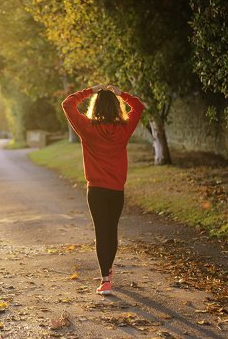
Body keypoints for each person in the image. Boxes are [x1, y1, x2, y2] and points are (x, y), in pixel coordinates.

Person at [61, 83, 145, 295]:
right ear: (117, 108)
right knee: (112, 230)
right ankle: (108, 271)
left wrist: (91, 90)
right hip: (116, 190)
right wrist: (121, 93)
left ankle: (105, 279)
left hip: (96, 190)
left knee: (101, 231)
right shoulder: (124, 129)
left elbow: (68, 104)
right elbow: (139, 106)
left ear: (95, 107)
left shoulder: (87, 128)